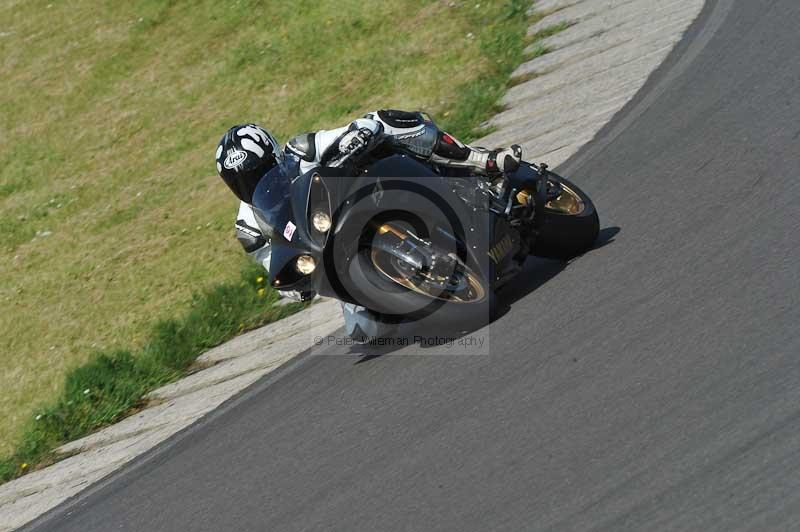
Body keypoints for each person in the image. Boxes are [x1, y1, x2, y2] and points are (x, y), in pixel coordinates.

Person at [215, 110, 522, 340]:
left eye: (259, 171)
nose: (254, 183)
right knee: (367, 333)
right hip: (333, 255)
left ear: (274, 154)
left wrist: (357, 134)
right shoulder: (250, 228)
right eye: (241, 181)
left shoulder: (301, 151)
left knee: (384, 120)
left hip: (367, 200)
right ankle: (421, 286)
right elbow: (276, 267)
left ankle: (480, 160)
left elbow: (348, 131)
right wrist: (296, 285)